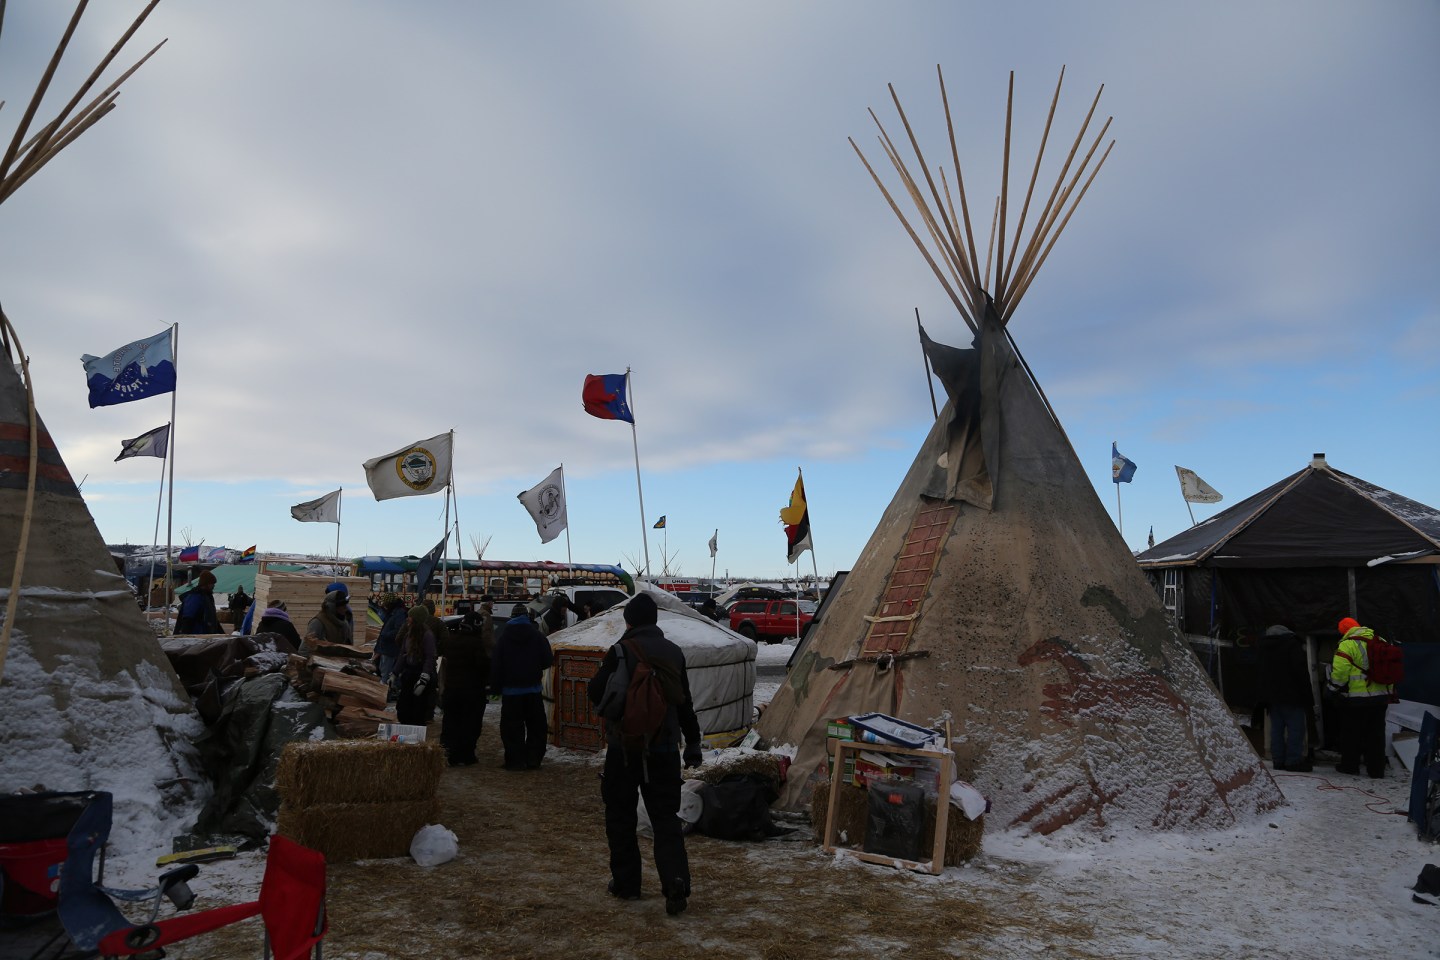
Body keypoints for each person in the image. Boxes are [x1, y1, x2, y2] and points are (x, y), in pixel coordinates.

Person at [586, 593, 704, 916]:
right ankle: (675, 881)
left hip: (625, 749)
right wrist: (693, 743)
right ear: (655, 619)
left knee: (620, 815)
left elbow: (595, 691)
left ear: (629, 621)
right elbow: (685, 703)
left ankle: (627, 884)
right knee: (666, 818)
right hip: (664, 749)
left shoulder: (620, 650)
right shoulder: (674, 652)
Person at [489, 603, 552, 771]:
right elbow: (548, 660)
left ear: (512, 617)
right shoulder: (538, 636)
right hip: (533, 691)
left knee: (511, 728)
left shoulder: (503, 638)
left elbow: (496, 666)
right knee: (536, 727)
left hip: (511, 692)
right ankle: (533, 759)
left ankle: (515, 761)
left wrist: (495, 690)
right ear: (526, 616)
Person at [1328, 617, 1393, 778]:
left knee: (1351, 734)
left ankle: (1350, 766)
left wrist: (1332, 689)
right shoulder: (1380, 640)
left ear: (1344, 631)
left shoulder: (1347, 645)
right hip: (1380, 698)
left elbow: (1340, 673)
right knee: (1376, 735)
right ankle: (1376, 770)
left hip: (1356, 699)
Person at [439, 601, 493, 766]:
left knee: (450, 722)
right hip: (472, 691)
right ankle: (466, 754)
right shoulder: (476, 644)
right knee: (470, 723)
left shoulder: (451, 641)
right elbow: (483, 666)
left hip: (451, 689)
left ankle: (449, 753)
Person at [1257, 625, 1313, 772]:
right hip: (1292, 695)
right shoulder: (1292, 644)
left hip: (1272, 697)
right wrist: (1307, 694)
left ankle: (1278, 760)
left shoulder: (1264, 647)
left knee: (1276, 729)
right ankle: (1293, 761)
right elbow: (1300, 671)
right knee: (1296, 729)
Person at [394, 605, 437, 727]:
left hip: (420, 674)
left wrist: (424, 678)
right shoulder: (409, 634)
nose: (408, 619)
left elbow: (430, 657)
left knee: (418, 709)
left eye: (410, 616)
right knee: (403, 708)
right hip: (409, 674)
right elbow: (402, 654)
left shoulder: (427, 635)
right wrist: (395, 673)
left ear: (416, 619)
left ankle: (416, 731)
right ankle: (405, 727)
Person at [372, 593, 407, 687]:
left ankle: (386, 691)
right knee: (384, 671)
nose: (384, 606)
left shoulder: (398, 614)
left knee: (386, 674)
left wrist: (385, 635)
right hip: (386, 648)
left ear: (390, 603)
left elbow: (398, 630)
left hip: (390, 649)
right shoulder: (392, 612)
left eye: (385, 604)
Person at [175, 570, 222, 634]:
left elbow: (212, 619)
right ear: (206, 584)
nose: (213, 586)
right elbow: (188, 617)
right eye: (212, 583)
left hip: (206, 635)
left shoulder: (207, 596)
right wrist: (185, 635)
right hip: (196, 635)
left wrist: (221, 633)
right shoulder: (195, 597)